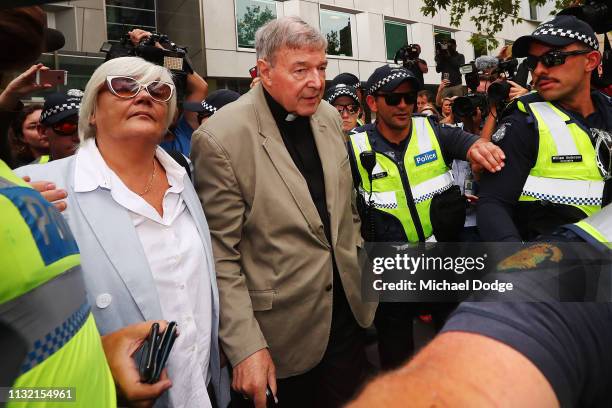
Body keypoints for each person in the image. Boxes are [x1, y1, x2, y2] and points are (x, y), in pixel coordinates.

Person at [15, 56, 227, 408]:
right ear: (92, 113)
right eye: (124, 86)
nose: (143, 96)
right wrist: (97, 367)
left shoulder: (184, 177)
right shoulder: (36, 191)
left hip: (201, 390)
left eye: (158, 91)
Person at [191, 16, 376, 408]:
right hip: (280, 338)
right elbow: (221, 255)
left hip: (349, 320)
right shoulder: (221, 137)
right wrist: (244, 346)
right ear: (264, 72)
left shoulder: (328, 117)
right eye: (301, 69)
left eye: (321, 67)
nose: (316, 81)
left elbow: (347, 210)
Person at [348, 204, 612, 407]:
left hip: (438, 254)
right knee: (396, 336)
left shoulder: (434, 135)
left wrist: (478, 145)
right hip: (393, 260)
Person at [347, 64, 505, 369]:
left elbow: (467, 142)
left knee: (456, 347)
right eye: (393, 99)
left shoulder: (430, 129)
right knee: (398, 360)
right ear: (372, 102)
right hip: (392, 268)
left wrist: (478, 147)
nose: (403, 105)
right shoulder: (354, 146)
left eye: (409, 97)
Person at [477, 15, 612, 242]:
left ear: (591, 61)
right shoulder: (524, 121)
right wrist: (517, 263)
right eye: (532, 62)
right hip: (558, 270)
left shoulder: (608, 110)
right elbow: (493, 203)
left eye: (553, 58)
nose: (538, 70)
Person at [35, 90, 82, 161]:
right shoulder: (29, 171)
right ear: (43, 131)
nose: (79, 137)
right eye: (67, 127)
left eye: (90, 127)